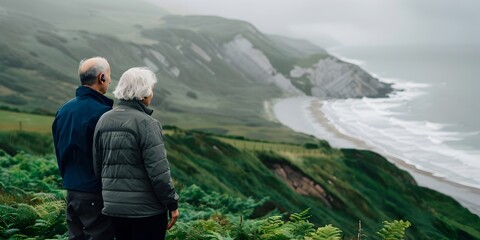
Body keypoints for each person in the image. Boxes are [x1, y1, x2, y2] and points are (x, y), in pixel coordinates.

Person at [93, 67, 179, 240]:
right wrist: (172, 203)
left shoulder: (104, 119)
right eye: (151, 90)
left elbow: (97, 166)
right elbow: (159, 174)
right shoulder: (147, 124)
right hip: (146, 211)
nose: (152, 94)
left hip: (114, 208)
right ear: (144, 93)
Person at [52, 57, 115, 239]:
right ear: (102, 77)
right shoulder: (102, 113)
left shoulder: (63, 110)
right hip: (96, 192)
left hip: (72, 191)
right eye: (109, 76)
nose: (110, 80)